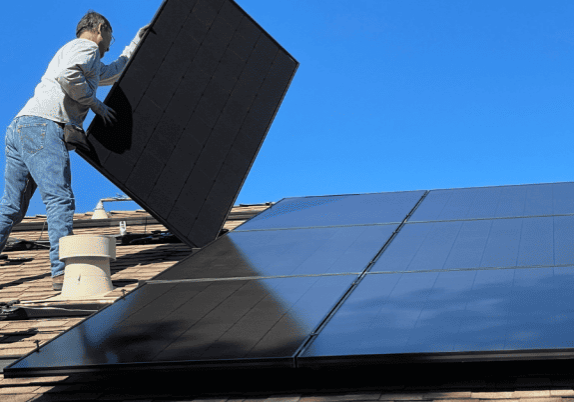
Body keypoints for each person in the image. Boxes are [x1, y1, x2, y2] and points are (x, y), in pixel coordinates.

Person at [0, 11, 149, 291]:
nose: (109, 45)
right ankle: (62, 273)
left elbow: (112, 73)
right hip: (45, 125)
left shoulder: (83, 56)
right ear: (100, 29)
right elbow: (69, 76)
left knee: (11, 207)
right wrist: (96, 105)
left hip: (21, 127)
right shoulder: (86, 47)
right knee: (60, 199)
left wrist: (136, 43)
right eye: (110, 37)